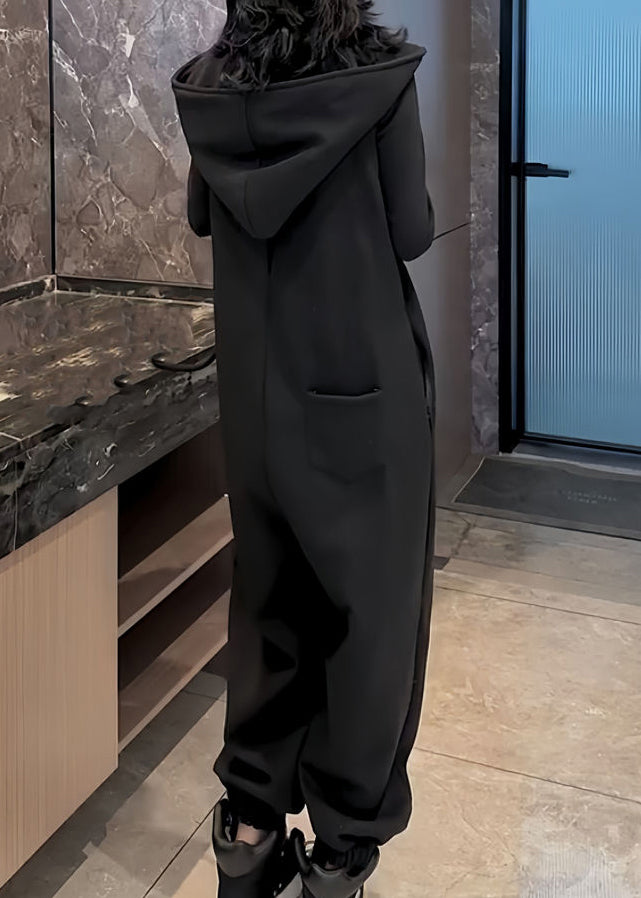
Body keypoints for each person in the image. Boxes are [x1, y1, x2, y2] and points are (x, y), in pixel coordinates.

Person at [172, 1, 435, 895]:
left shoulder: (213, 85)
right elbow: (411, 230)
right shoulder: (378, 78)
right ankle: (337, 854)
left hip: (257, 394)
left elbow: (204, 214)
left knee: (268, 600)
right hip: (361, 390)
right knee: (371, 621)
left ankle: (248, 833)